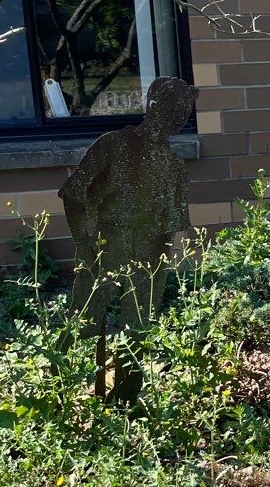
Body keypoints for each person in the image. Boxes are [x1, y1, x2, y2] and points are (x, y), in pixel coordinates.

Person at [59, 77, 197, 401]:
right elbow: (73, 193)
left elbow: (170, 229)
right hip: (108, 245)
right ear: (154, 106)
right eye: (176, 109)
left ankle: (125, 403)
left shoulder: (174, 166)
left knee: (137, 331)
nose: (180, 118)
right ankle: (61, 396)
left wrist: (158, 269)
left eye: (185, 112)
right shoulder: (115, 144)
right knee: (83, 322)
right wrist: (83, 244)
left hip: (151, 255)